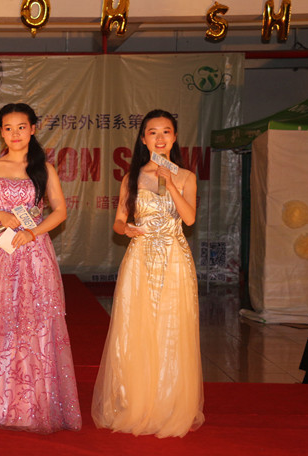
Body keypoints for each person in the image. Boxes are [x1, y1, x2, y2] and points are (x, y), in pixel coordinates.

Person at [0, 103, 81, 434]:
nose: (15, 134)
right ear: (1, 131)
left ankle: (36, 402)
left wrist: (33, 232)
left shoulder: (44, 168)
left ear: (33, 129)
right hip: (2, 252)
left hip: (35, 251)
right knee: (2, 319)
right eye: (8, 128)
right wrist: (1, 215)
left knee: (35, 320)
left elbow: (60, 211)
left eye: (21, 127)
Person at [91, 109, 204, 438]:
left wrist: (171, 183)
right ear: (143, 139)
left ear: (175, 137)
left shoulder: (186, 176)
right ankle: (135, 401)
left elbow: (189, 219)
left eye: (166, 131)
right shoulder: (131, 177)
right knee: (136, 327)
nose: (160, 138)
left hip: (174, 258)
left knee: (171, 328)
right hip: (140, 257)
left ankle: (168, 403)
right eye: (153, 132)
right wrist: (125, 228)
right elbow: (118, 220)